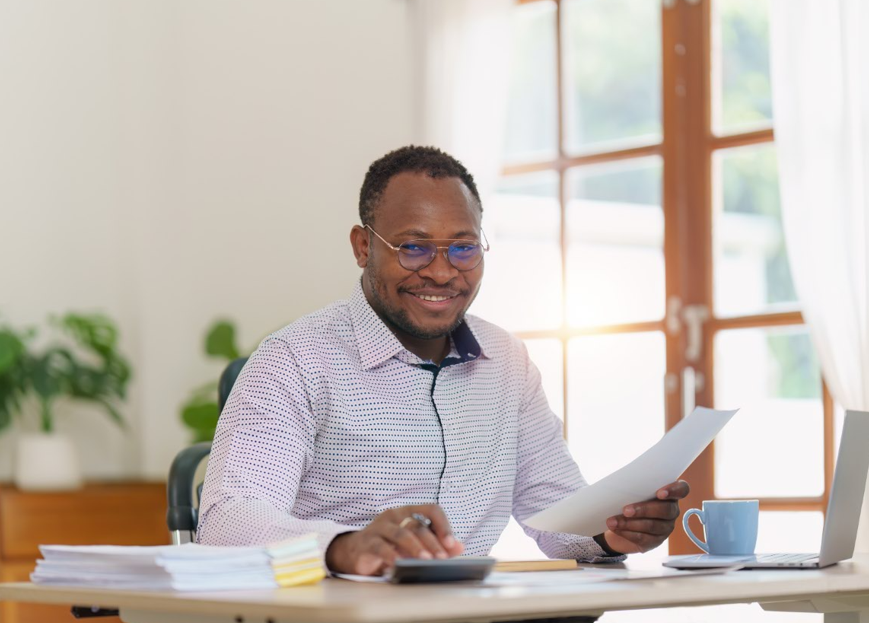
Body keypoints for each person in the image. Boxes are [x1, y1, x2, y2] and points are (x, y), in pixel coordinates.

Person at [197, 145, 689, 576]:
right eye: (413, 248)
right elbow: (227, 523)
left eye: (463, 248)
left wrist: (612, 534)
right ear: (363, 245)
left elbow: (557, 518)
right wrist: (345, 548)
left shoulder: (508, 363)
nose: (441, 272)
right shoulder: (294, 361)